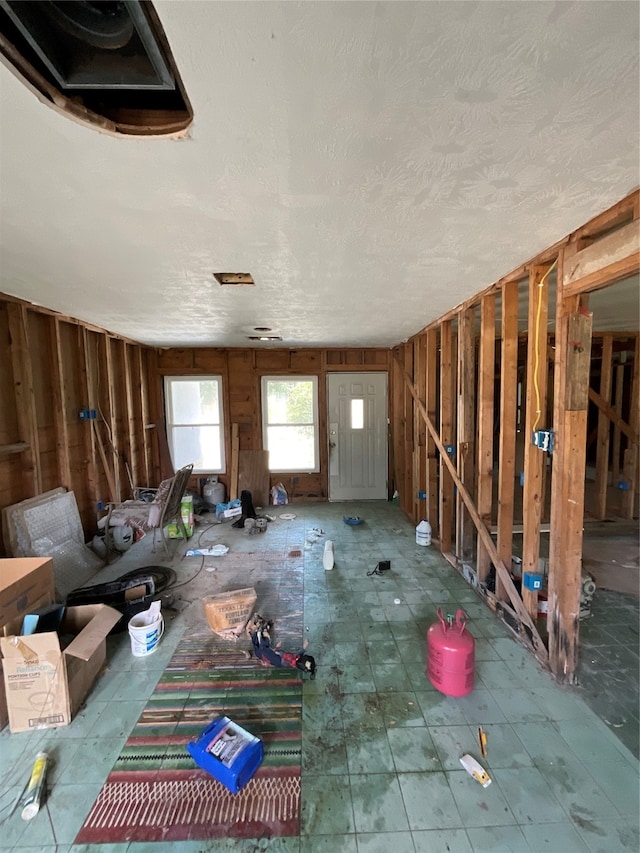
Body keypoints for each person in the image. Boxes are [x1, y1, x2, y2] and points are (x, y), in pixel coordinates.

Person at [248, 615, 316, 678]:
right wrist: (304, 648)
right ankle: (262, 629)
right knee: (261, 641)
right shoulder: (297, 664)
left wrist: (277, 647)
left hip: (264, 652)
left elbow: (277, 652)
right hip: (267, 657)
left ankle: (260, 629)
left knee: (264, 639)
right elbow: (298, 657)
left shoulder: (290, 659)